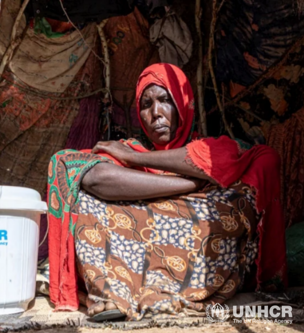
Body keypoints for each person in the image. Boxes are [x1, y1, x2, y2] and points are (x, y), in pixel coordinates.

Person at [47, 63, 287, 321]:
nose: (156, 113)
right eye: (146, 104)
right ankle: (113, 295)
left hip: (202, 260)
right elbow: (95, 178)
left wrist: (140, 161)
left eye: (165, 100)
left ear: (184, 105)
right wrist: (189, 184)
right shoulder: (129, 151)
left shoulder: (214, 148)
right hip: (135, 250)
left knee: (258, 170)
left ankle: (163, 291)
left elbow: (238, 163)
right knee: (78, 183)